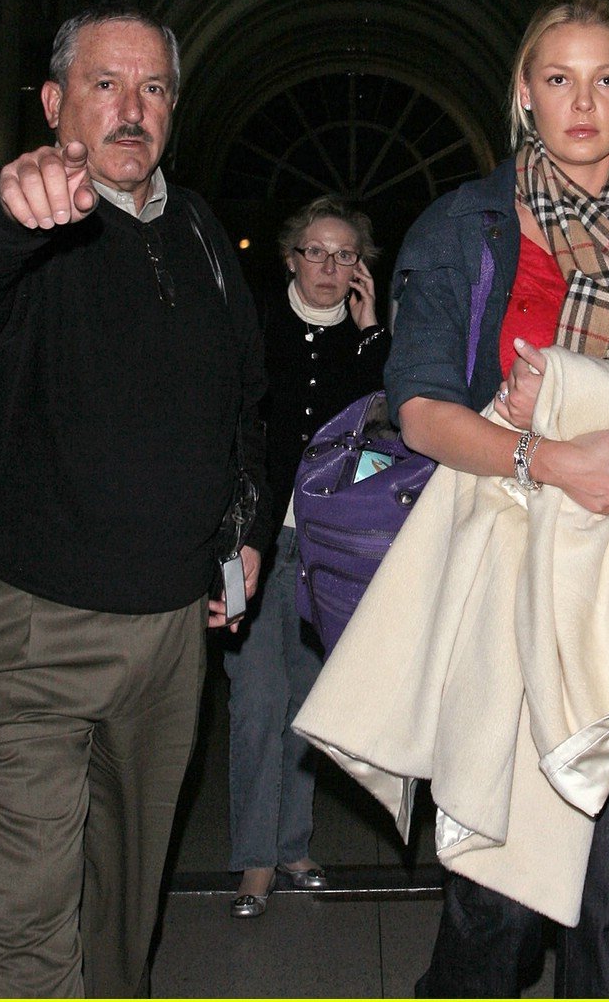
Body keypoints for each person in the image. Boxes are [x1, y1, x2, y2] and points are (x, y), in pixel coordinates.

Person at [382, 0, 609, 998]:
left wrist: (602, 422)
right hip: (496, 574)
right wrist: (546, 455)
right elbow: (420, 410)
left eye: (605, 79)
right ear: (524, 93)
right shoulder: (464, 227)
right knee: (494, 894)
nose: (582, 103)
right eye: (559, 78)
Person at [0, 6, 271, 997]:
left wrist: (245, 530)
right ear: (54, 103)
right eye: (105, 84)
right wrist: (1, 213)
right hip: (25, 632)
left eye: (154, 87)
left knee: (124, 917)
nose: (133, 108)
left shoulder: (201, 229)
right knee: (22, 928)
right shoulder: (22, 216)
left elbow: (245, 402)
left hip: (170, 634)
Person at [225, 196, 390, 916]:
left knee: (308, 703)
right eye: (316, 251)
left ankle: (292, 845)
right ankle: (255, 861)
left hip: (330, 548)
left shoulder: (369, 340)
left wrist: (372, 330)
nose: (329, 265)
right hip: (252, 543)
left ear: (361, 269)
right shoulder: (257, 325)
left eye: (345, 254)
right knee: (254, 702)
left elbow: (386, 436)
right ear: (291, 258)